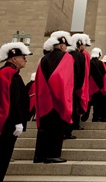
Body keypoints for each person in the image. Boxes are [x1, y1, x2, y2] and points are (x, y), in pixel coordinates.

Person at [34, 31, 74, 164]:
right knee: (57, 127)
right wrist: (64, 100)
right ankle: (53, 154)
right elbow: (63, 80)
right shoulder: (66, 58)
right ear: (62, 46)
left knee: (44, 128)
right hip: (58, 99)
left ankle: (39, 156)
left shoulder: (44, 59)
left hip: (44, 98)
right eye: (65, 45)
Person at [0, 42, 32, 181]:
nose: (25, 60)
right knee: (3, 154)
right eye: (23, 57)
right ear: (13, 58)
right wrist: (17, 121)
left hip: (10, 122)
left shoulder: (12, 73)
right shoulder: (9, 74)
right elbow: (13, 101)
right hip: (8, 124)